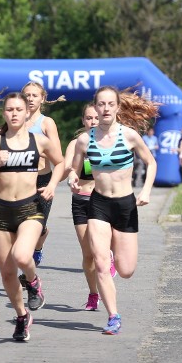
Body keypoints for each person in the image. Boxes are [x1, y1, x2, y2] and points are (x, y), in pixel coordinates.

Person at [69, 86, 158, 335]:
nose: (106, 108)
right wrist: (72, 178)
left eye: (110, 104)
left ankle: (110, 257)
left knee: (126, 270)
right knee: (99, 263)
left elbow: (151, 162)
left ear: (118, 108)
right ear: (95, 108)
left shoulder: (129, 135)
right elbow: (75, 168)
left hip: (125, 205)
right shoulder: (85, 140)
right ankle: (113, 316)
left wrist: (146, 191)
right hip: (98, 204)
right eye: (101, 104)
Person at [0, 92, 64, 341]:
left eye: (19, 109)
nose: (14, 114)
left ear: (27, 113)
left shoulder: (39, 141)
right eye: (9, 110)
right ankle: (22, 316)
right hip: (2, 211)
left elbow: (60, 163)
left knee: (22, 255)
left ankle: (33, 281)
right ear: (3, 113)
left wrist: (52, 185)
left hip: (30, 208)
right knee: (6, 273)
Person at [63, 104, 117, 311]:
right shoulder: (76, 144)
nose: (93, 122)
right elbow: (69, 167)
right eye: (88, 118)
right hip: (81, 201)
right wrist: (70, 177)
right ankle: (93, 294)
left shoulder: (109, 142)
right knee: (88, 255)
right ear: (83, 121)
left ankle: (109, 257)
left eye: (96, 118)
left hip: (103, 200)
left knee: (100, 251)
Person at [21, 82, 65, 270]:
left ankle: (38, 248)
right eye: (27, 95)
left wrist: (36, 149)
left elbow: (58, 156)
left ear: (42, 99)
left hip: (42, 180)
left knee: (38, 228)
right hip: (20, 181)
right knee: (21, 227)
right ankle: (26, 268)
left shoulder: (46, 123)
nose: (30, 98)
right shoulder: (15, 120)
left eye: (34, 95)